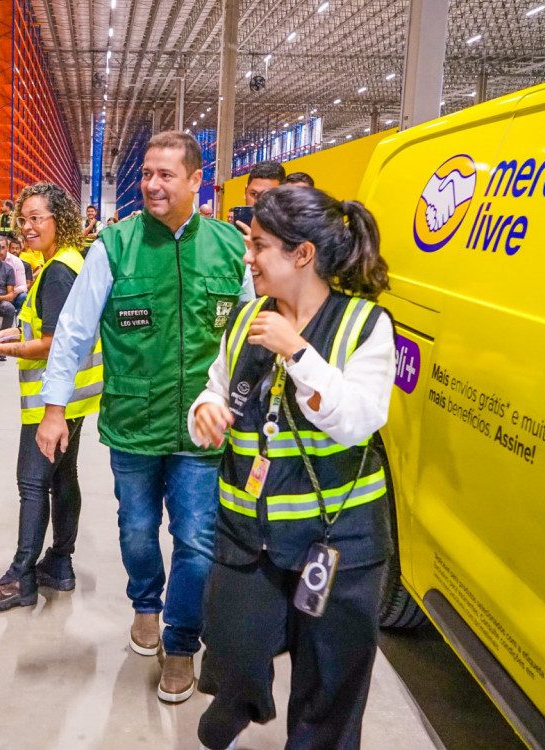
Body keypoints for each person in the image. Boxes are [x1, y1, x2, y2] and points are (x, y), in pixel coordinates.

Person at [37, 131, 251, 704]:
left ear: (195, 181)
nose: (152, 184)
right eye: (147, 174)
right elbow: (75, 333)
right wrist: (53, 409)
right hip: (135, 421)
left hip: (203, 428)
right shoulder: (116, 246)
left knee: (198, 540)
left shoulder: (231, 248)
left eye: (165, 175)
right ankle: (145, 605)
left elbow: (252, 334)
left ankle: (182, 643)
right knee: (136, 530)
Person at [191, 187, 394, 750]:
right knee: (232, 638)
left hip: (338, 540)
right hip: (246, 531)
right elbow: (216, 384)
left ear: (302, 254)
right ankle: (239, 695)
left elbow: (358, 420)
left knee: (330, 677)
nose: (247, 257)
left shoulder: (364, 324)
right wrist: (205, 412)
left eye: (259, 246)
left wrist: (299, 354)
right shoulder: (248, 317)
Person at [0, 182, 103, 612]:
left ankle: (21, 576)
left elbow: (53, 344)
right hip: (73, 397)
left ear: (58, 220)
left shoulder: (59, 270)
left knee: (32, 484)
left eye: (36, 218)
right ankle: (59, 564)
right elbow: (46, 328)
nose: (26, 227)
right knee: (63, 479)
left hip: (54, 400)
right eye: (22, 219)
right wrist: (12, 333)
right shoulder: (61, 263)